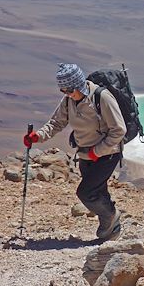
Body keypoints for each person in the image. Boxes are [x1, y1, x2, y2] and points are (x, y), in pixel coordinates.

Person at [23, 63, 126, 240]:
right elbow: (56, 123)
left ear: (79, 84)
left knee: (85, 192)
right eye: (63, 91)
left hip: (107, 154)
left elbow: (119, 129)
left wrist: (98, 151)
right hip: (85, 154)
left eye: (70, 90)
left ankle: (111, 215)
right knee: (98, 191)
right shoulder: (69, 100)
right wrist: (37, 136)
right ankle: (111, 232)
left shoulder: (102, 98)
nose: (68, 94)